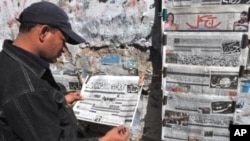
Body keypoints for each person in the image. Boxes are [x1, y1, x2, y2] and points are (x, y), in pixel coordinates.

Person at [0, 1, 129, 141]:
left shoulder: (8, 61)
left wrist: (59, 102)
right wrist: (106, 140)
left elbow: (26, 114)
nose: (64, 49)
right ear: (44, 32)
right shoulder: (29, 87)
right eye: (63, 40)